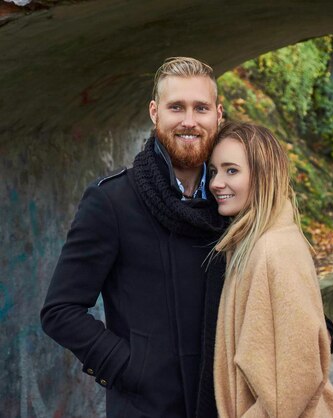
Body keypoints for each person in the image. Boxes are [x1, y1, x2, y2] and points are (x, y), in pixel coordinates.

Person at [41, 57, 227, 417]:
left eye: (200, 108)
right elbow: (60, 311)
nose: (189, 121)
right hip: (146, 407)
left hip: (227, 404)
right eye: (177, 107)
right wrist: (130, 368)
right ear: (155, 112)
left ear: (217, 116)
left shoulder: (234, 199)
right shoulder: (112, 201)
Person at [201, 122, 333, 417]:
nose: (216, 182)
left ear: (263, 175)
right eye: (213, 171)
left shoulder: (273, 250)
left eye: (231, 170)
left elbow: (296, 378)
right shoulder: (248, 244)